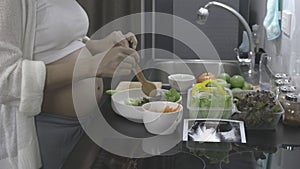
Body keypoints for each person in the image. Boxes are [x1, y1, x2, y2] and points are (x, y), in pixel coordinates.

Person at [0, 0, 139, 169]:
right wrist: (93, 65)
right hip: (48, 129)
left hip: (87, 122)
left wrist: (101, 45)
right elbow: (5, 79)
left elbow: (61, 43)